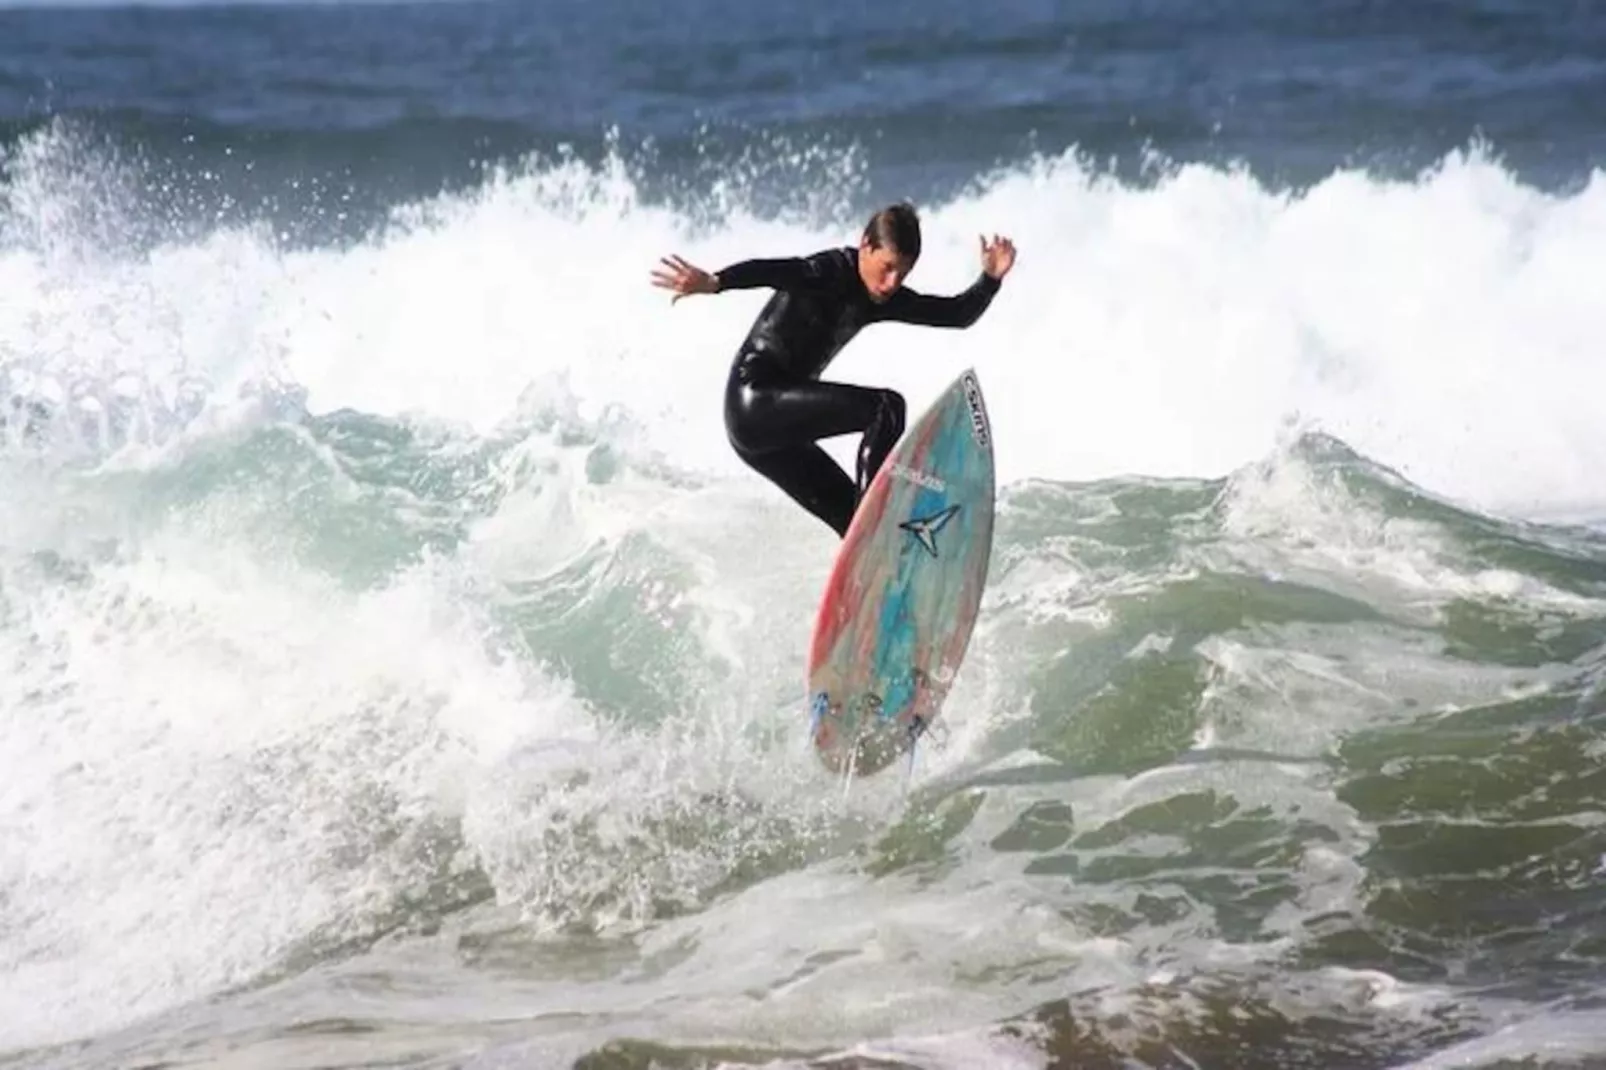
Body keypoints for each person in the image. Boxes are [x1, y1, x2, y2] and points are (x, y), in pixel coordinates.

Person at [650, 202, 1017, 539]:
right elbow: (776, 270)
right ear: (865, 246)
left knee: (851, 520)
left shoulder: (880, 297)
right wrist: (716, 282)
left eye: (902, 274)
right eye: (887, 267)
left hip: (769, 440)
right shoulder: (829, 271)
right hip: (754, 400)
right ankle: (878, 520)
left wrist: (990, 280)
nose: (892, 283)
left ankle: (869, 581)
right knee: (887, 408)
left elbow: (953, 314)